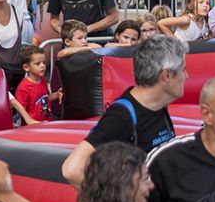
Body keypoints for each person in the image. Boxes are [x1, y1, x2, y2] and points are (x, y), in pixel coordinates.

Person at [60, 34, 187, 186]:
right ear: (166, 75)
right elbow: (72, 169)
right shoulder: (123, 115)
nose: (187, 76)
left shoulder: (158, 106)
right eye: (183, 70)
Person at [11, 48, 56, 125]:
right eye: (38, 63)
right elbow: (21, 111)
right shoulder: (23, 87)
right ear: (26, 67)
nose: (43, 66)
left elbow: (46, 98)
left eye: (44, 62)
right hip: (33, 127)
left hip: (47, 122)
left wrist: (57, 94)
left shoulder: (43, 80)